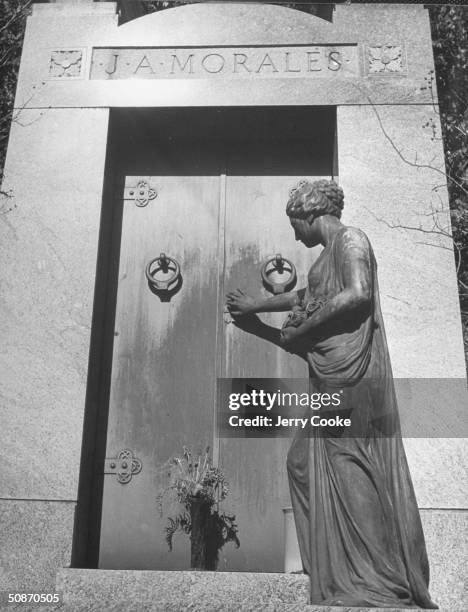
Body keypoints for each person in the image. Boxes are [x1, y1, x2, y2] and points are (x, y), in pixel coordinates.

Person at [226, 179, 437, 609]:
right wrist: (258, 308)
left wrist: (304, 328)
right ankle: (346, 571)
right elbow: (309, 296)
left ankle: (381, 580)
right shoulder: (326, 258)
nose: (294, 236)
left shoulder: (352, 239)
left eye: (294, 225)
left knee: (348, 462)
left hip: (351, 375)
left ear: (308, 215)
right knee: (304, 462)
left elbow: (358, 293)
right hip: (331, 373)